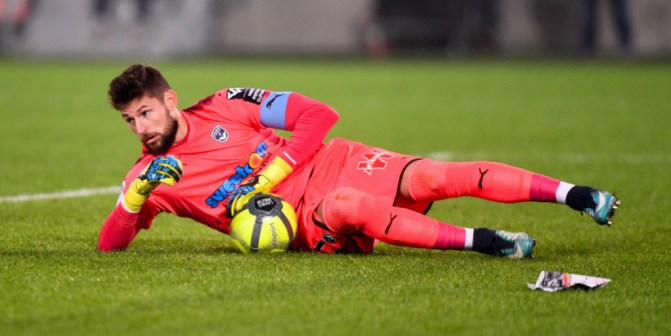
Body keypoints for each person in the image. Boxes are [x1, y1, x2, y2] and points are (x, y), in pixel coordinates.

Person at [98, 64, 620, 258]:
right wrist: (133, 198)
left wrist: (278, 169)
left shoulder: (228, 103)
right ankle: (486, 241)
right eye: (129, 121)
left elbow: (319, 115)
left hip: (336, 159)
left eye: (145, 112)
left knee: (435, 175)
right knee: (349, 205)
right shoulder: (150, 179)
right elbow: (109, 244)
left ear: (169, 101)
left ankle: (577, 195)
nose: (141, 129)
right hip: (307, 219)